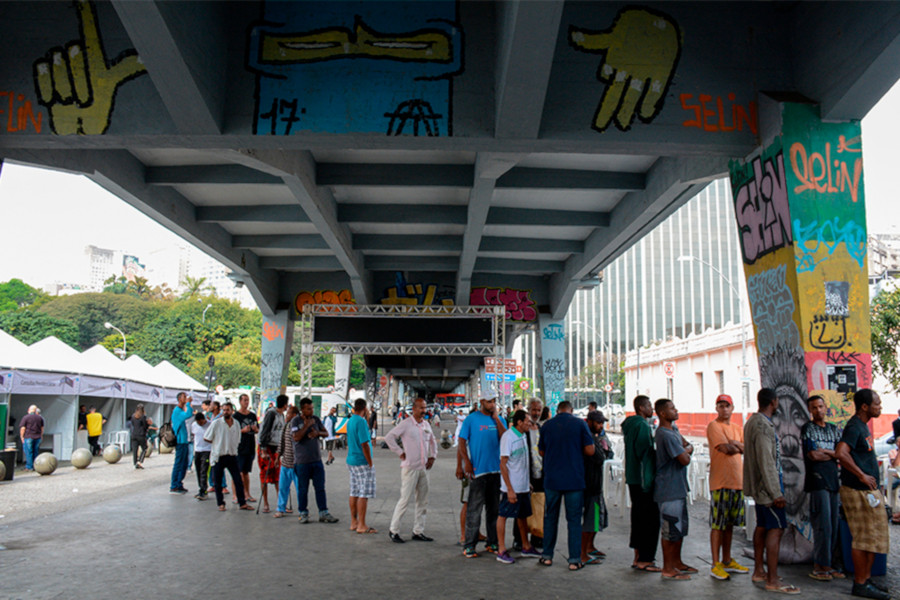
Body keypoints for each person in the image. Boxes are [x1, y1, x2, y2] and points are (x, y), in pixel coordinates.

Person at [835, 389, 891, 600]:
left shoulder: (862, 427)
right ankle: (860, 583)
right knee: (863, 538)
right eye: (877, 403)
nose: (880, 407)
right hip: (856, 491)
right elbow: (841, 452)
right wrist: (861, 476)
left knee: (874, 537)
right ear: (865, 406)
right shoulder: (854, 426)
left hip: (867, 492)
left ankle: (866, 579)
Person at [744, 388, 798, 594]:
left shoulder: (753, 422)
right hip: (767, 489)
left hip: (761, 488)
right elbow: (767, 462)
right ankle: (773, 579)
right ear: (774, 402)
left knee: (763, 526)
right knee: (775, 529)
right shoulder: (762, 426)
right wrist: (776, 492)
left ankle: (759, 570)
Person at [537, 400, 595, 570]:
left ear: (557, 410)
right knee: (574, 520)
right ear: (572, 409)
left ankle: (547, 556)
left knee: (550, 518)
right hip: (574, 479)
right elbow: (590, 450)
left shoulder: (547, 426)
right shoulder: (579, 424)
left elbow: (541, 451)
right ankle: (574, 560)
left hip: (552, 480)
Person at [458, 395, 507, 558]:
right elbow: (461, 441)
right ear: (481, 403)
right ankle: (469, 545)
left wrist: (496, 418)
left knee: (494, 509)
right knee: (474, 509)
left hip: (496, 470)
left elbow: (505, 437)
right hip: (478, 471)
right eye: (488, 401)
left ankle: (492, 542)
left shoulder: (499, 419)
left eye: (493, 401)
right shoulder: (471, 420)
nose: (491, 404)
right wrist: (466, 462)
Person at [801, 394, 844, 581]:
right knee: (822, 525)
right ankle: (820, 565)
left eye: (820, 406)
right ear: (810, 410)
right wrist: (832, 454)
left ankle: (830, 564)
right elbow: (813, 456)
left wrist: (826, 451)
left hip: (833, 481)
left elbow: (841, 454)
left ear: (825, 407)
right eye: (814, 407)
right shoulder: (808, 429)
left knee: (834, 524)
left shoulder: (834, 429)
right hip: (817, 481)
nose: (818, 410)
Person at [706, 394, 748, 580]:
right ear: (716, 408)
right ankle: (715, 563)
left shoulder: (738, 428)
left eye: (727, 406)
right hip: (720, 482)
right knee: (718, 524)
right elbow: (725, 448)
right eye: (720, 406)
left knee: (730, 524)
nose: (724, 409)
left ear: (732, 408)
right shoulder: (714, 426)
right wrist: (736, 446)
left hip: (737, 482)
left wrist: (736, 445)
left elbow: (745, 449)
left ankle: (727, 559)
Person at [385, 397, 438, 543]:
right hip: (410, 468)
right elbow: (389, 437)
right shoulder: (406, 424)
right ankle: (394, 530)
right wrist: (400, 452)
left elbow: (433, 441)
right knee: (405, 500)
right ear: (413, 409)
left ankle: (418, 531)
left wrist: (432, 456)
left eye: (424, 408)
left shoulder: (426, 425)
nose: (423, 411)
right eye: (420, 408)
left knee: (423, 501)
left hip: (424, 469)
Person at [654, 398, 695, 580]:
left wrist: (686, 449)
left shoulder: (674, 431)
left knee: (679, 528)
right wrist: (686, 450)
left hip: (678, 487)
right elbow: (684, 458)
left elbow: (687, 445)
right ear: (663, 413)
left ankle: (677, 562)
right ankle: (668, 567)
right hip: (668, 489)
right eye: (671, 408)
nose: (675, 410)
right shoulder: (665, 435)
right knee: (669, 529)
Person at [622, 395, 661, 572]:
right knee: (650, 520)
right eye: (649, 406)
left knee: (637, 517)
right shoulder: (642, 426)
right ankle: (646, 558)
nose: (651, 409)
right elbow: (645, 453)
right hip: (644, 479)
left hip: (633, 478)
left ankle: (637, 556)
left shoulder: (630, 425)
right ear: (641, 408)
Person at [495, 410, 540, 564]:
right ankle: (501, 550)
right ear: (519, 422)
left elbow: (521, 462)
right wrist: (509, 489)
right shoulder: (508, 437)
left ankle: (526, 546)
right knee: (503, 515)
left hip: (523, 486)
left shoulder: (522, 436)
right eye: (527, 422)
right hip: (512, 487)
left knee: (522, 516)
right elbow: (503, 464)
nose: (530, 424)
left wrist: (527, 482)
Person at [291, 398, 339, 524]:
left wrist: (317, 433)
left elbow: (326, 433)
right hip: (302, 462)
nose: (311, 411)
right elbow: (296, 437)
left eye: (312, 408)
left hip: (316, 460)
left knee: (320, 488)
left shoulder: (316, 419)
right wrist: (306, 426)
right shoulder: (296, 421)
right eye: (308, 409)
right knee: (303, 489)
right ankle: (303, 512)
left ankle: (323, 512)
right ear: (302, 409)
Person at [203, 402, 251, 511]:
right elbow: (206, 437)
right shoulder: (216, 423)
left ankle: (242, 503)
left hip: (232, 455)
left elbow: (238, 439)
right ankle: (221, 503)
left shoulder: (236, 424)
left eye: (227, 410)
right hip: (219, 456)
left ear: (232, 411)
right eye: (224, 410)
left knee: (238, 480)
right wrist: (217, 443)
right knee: (218, 482)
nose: (225, 412)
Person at [514, 398, 545, 552]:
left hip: (541, 473)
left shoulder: (541, 428)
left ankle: (537, 537)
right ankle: (519, 539)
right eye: (533, 410)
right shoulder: (522, 431)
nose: (536, 413)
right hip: (525, 475)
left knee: (539, 507)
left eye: (538, 410)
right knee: (522, 508)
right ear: (528, 410)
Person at [581, 410, 612, 565]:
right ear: (590, 422)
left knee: (597, 518)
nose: (601, 426)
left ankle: (590, 546)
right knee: (589, 518)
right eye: (598, 423)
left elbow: (609, 454)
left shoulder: (599, 437)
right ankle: (583, 552)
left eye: (602, 423)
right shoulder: (588, 437)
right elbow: (600, 458)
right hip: (589, 483)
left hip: (596, 484)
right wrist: (601, 446)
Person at [347, 399, 377, 534]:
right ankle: (362, 525)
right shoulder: (361, 422)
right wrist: (370, 461)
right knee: (363, 493)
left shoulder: (351, 421)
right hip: (362, 461)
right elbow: (364, 444)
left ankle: (354, 522)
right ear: (364, 409)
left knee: (354, 491)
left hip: (351, 460)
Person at [257, 395, 287, 514]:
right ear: (285, 405)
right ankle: (265, 503)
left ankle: (280, 504)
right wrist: (263, 450)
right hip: (267, 446)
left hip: (276, 447)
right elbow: (265, 431)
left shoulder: (281, 415)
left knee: (278, 476)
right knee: (265, 474)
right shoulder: (271, 414)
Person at [274, 404, 300, 518]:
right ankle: (281, 508)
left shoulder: (299, 425)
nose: (286, 415)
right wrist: (277, 456)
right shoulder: (286, 426)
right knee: (283, 488)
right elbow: (282, 442)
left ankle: (302, 509)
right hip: (285, 462)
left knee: (300, 489)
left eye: (288, 413)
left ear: (294, 415)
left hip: (297, 464)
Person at [233, 394, 259, 504]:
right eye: (244, 400)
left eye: (247, 400)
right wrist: (242, 430)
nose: (246, 402)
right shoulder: (236, 416)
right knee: (237, 472)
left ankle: (247, 494)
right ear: (240, 401)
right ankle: (236, 495)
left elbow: (257, 429)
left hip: (250, 446)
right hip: (239, 447)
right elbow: (233, 432)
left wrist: (255, 429)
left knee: (246, 472)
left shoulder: (252, 415)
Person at [168, 393, 193, 494]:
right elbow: (188, 415)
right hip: (180, 441)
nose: (186, 398)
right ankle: (174, 485)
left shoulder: (180, 410)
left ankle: (179, 483)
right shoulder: (177, 411)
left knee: (183, 463)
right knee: (179, 463)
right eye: (184, 397)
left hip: (183, 441)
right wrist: (188, 404)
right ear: (179, 399)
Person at [191, 412, 211, 500]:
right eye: (198, 422)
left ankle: (204, 490)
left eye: (201, 422)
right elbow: (193, 434)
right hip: (197, 450)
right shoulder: (194, 425)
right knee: (198, 470)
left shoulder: (210, 425)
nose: (200, 424)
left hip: (207, 450)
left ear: (204, 419)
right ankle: (201, 489)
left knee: (204, 470)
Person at [19, 405, 43, 471]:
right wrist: (41, 435)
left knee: (28, 452)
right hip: (37, 437)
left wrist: (21, 436)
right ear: (35, 410)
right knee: (36, 452)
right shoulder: (40, 418)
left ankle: (29, 467)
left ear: (29, 410)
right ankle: (36, 466)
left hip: (28, 437)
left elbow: (23, 428)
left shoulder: (26, 417)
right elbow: (42, 428)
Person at [128, 404, 152, 469]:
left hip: (134, 434)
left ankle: (135, 463)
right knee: (144, 448)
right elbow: (145, 426)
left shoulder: (133, 416)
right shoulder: (143, 417)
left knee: (135, 450)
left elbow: (133, 424)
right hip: (141, 435)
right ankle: (140, 462)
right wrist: (148, 424)